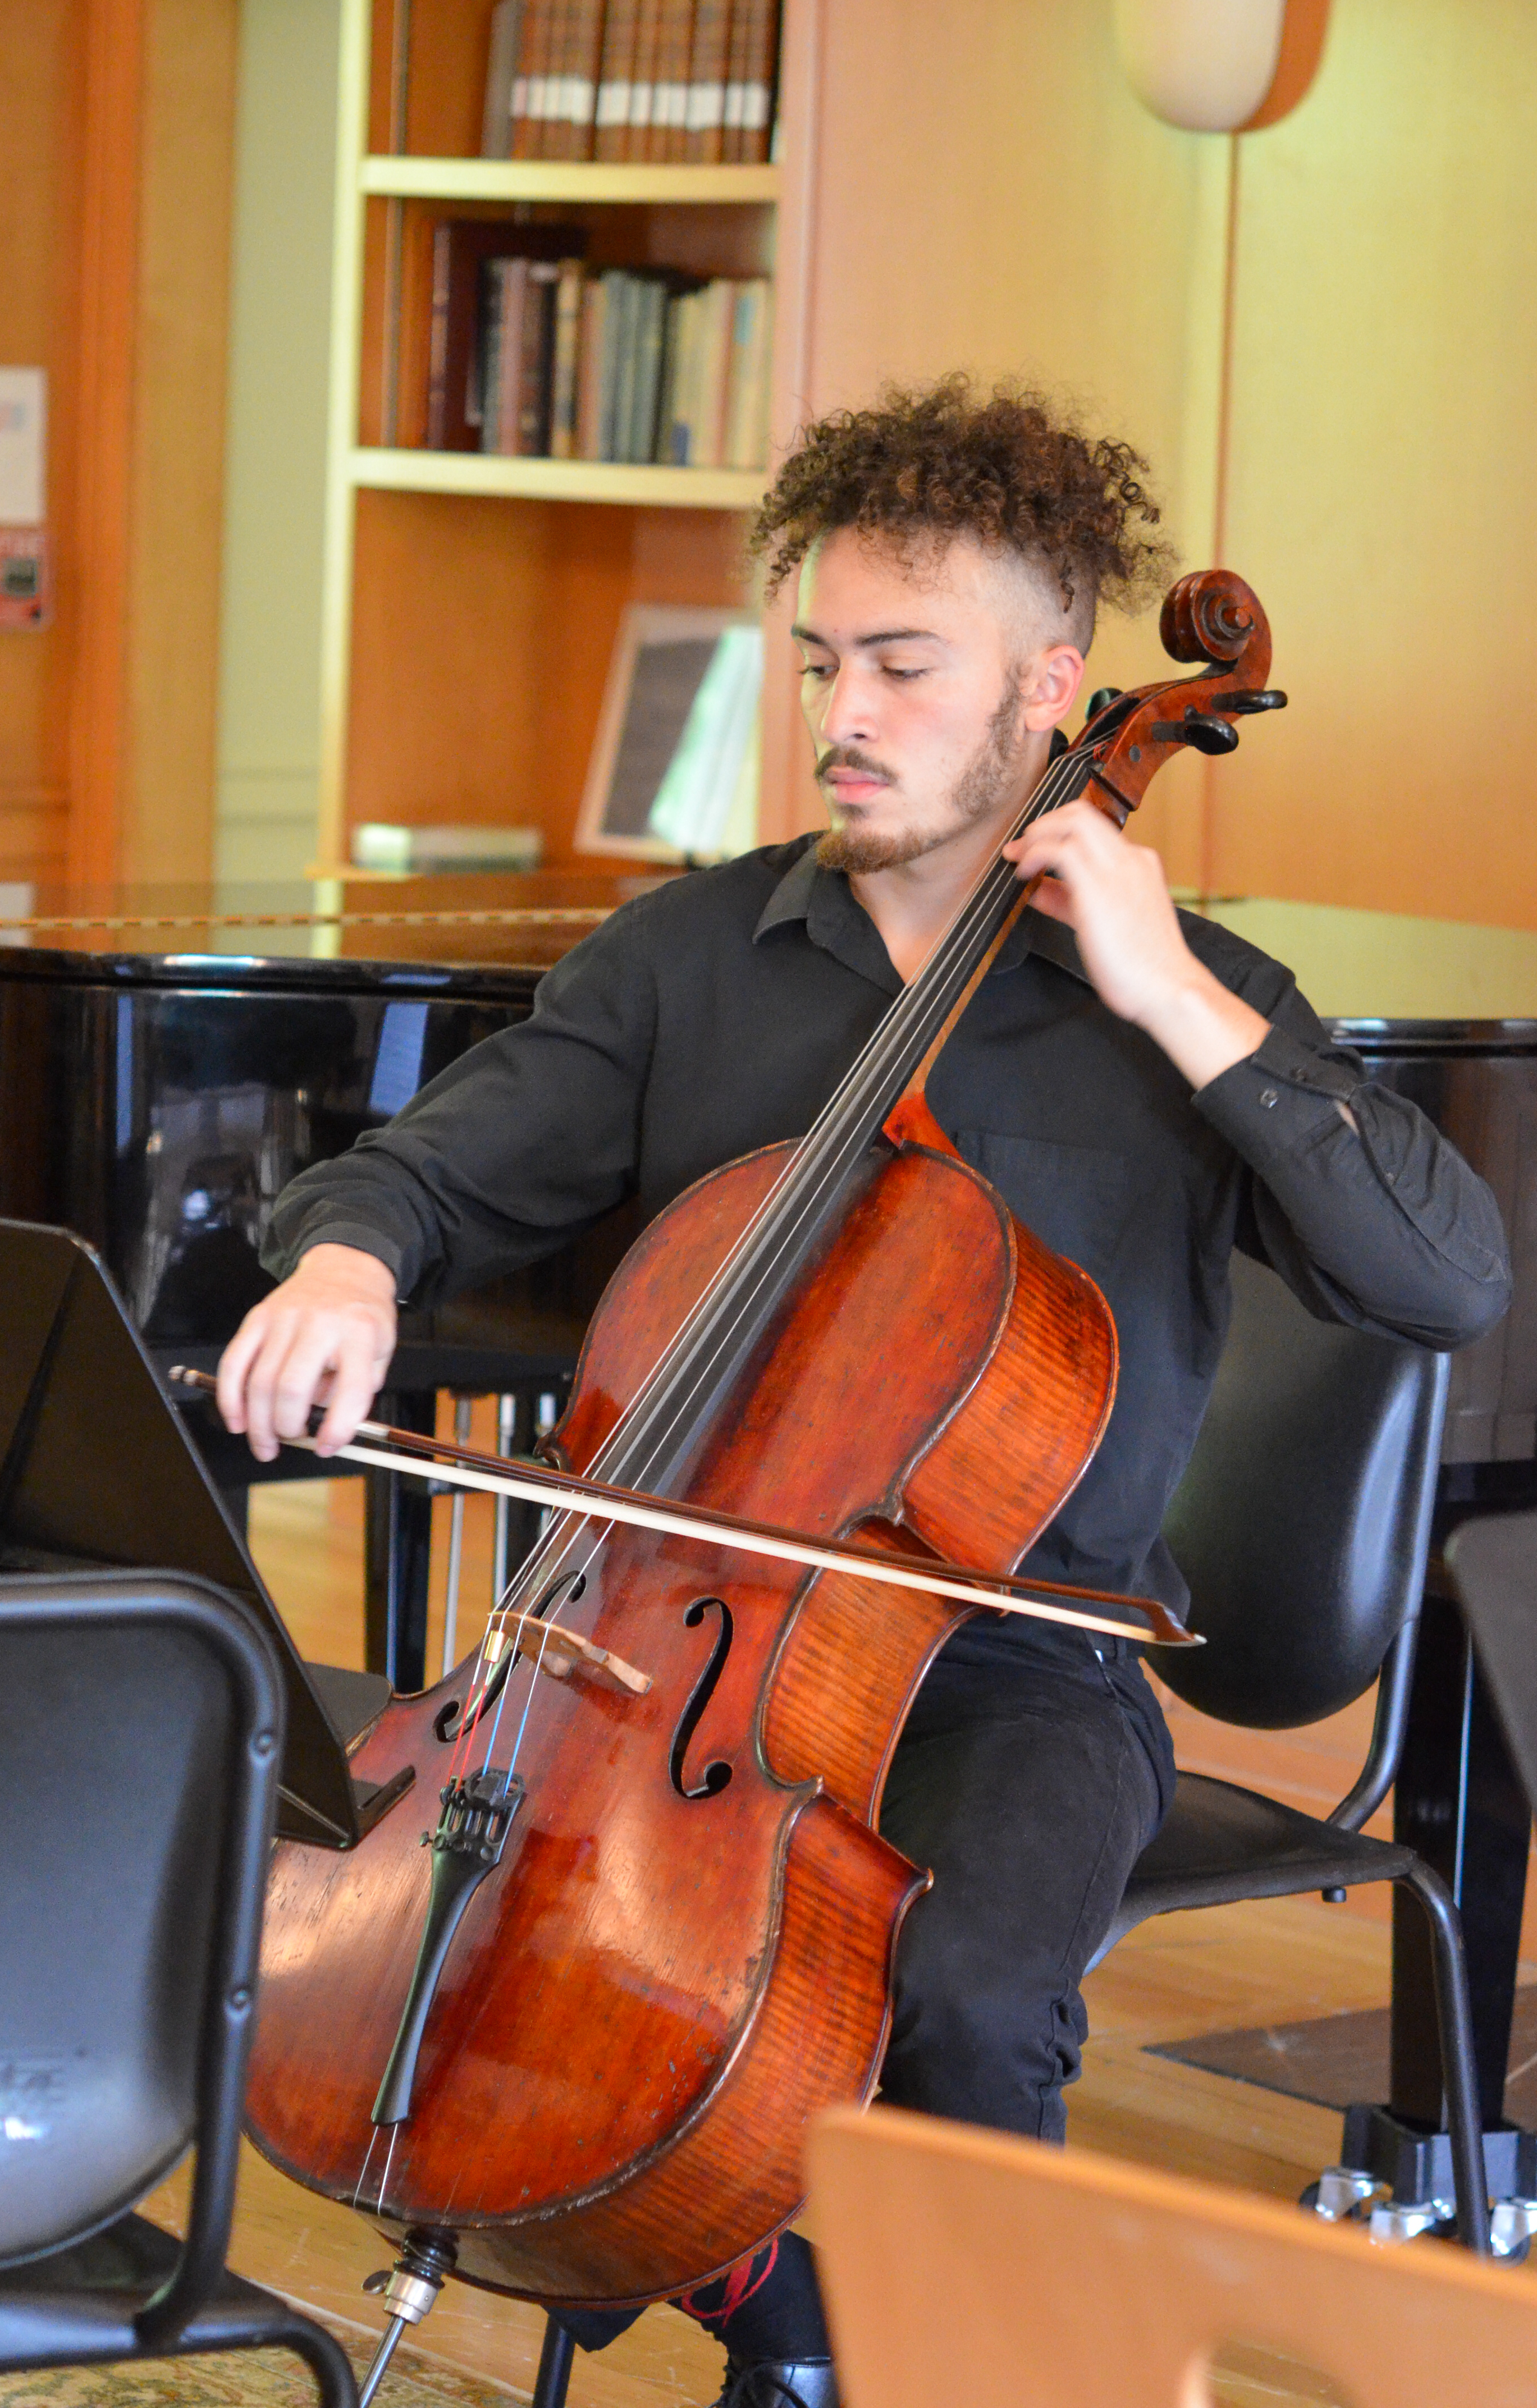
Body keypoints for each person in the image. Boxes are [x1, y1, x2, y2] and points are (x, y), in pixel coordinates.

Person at [217, 379, 1511, 2408]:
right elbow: (445, 1159)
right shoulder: (690, 957)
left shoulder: (1187, 1001)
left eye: (903, 664)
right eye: (821, 658)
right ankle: (793, 2328)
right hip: (655, 1651)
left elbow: (1440, 1276)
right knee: (507, 1955)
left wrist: (1168, 992)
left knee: (972, 1997)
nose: (843, 708)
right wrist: (349, 1256)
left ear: (1048, 690)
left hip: (1016, 1666)